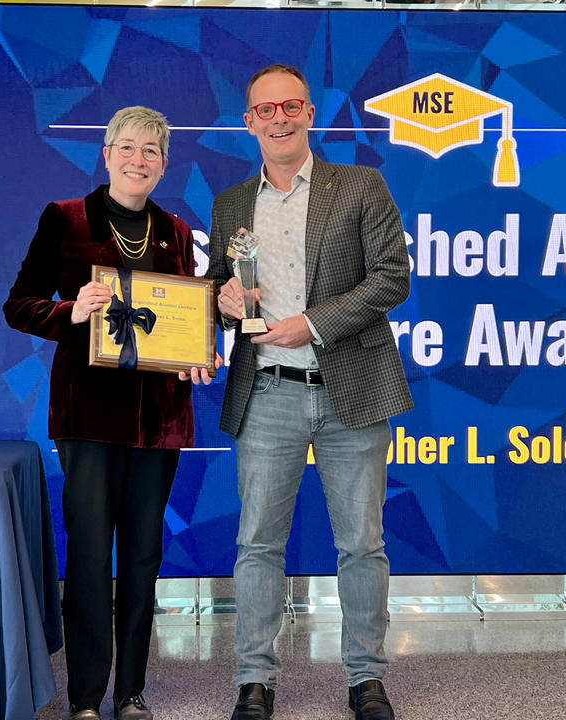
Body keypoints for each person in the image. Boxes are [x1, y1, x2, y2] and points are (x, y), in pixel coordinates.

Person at [198, 64, 414, 720]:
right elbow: (215, 288)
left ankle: (367, 678)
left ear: (310, 112)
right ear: (249, 122)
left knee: (362, 544)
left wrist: (312, 324)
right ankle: (254, 682)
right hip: (266, 392)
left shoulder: (361, 186)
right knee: (258, 542)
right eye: (266, 110)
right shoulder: (232, 203)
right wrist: (224, 300)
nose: (280, 118)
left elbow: (391, 279)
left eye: (290, 105)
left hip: (350, 386)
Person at [4, 106, 212, 720]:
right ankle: (88, 697)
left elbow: (184, 320)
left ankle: (132, 691)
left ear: (164, 163)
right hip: (88, 416)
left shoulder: (175, 230)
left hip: (159, 418)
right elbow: (18, 305)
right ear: (106, 152)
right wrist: (70, 311)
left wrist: (193, 356)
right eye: (127, 146)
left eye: (151, 150)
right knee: (91, 554)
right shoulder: (64, 218)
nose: (138, 158)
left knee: (144, 553)